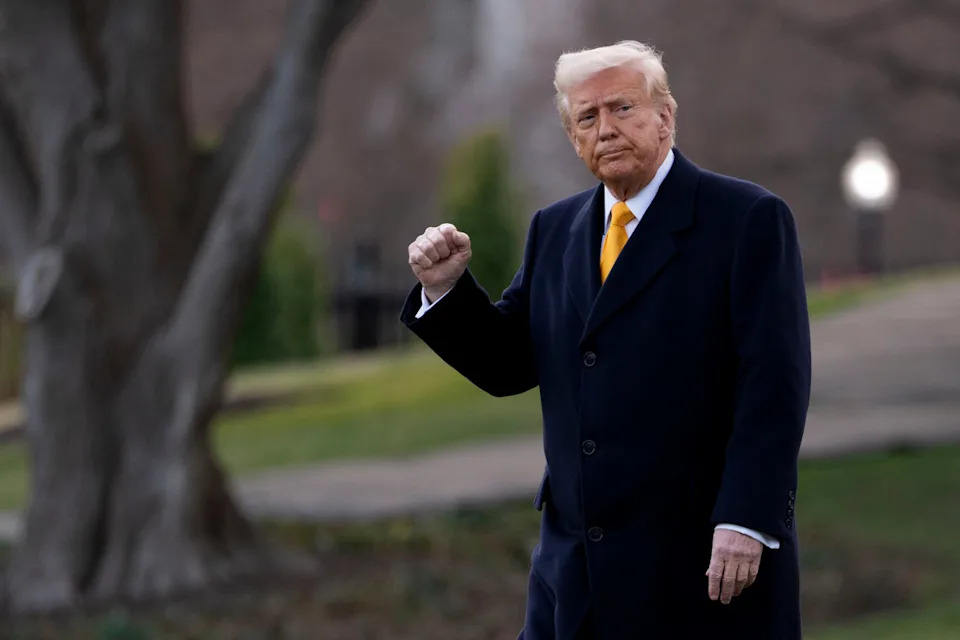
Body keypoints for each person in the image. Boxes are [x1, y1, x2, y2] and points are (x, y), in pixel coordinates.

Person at [400, 40, 811, 639]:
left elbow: (774, 386)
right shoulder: (555, 228)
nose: (606, 129)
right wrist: (446, 292)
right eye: (587, 118)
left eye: (622, 109)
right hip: (574, 572)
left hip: (701, 563)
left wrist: (747, 520)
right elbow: (508, 363)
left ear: (664, 116)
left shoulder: (746, 219)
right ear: (573, 138)